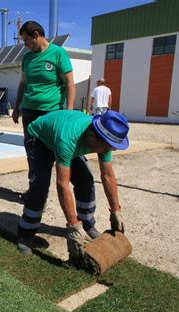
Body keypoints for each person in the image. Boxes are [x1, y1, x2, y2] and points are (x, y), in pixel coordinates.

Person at [16, 109, 129, 266]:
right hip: (39, 138)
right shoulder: (68, 138)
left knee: (85, 179)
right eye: (106, 147)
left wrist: (116, 210)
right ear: (92, 135)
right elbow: (63, 183)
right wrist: (72, 226)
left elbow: (108, 176)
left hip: (65, 133)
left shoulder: (104, 139)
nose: (108, 151)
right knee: (40, 185)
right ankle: (26, 233)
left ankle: (87, 225)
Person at [11, 21, 75, 198]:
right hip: (29, 113)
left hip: (51, 113)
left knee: (55, 153)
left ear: (37, 35)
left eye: (26, 40)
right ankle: (35, 190)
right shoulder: (27, 58)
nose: (25, 44)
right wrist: (16, 108)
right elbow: (22, 84)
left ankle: (64, 189)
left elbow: (69, 83)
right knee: (32, 153)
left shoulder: (58, 53)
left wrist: (68, 112)